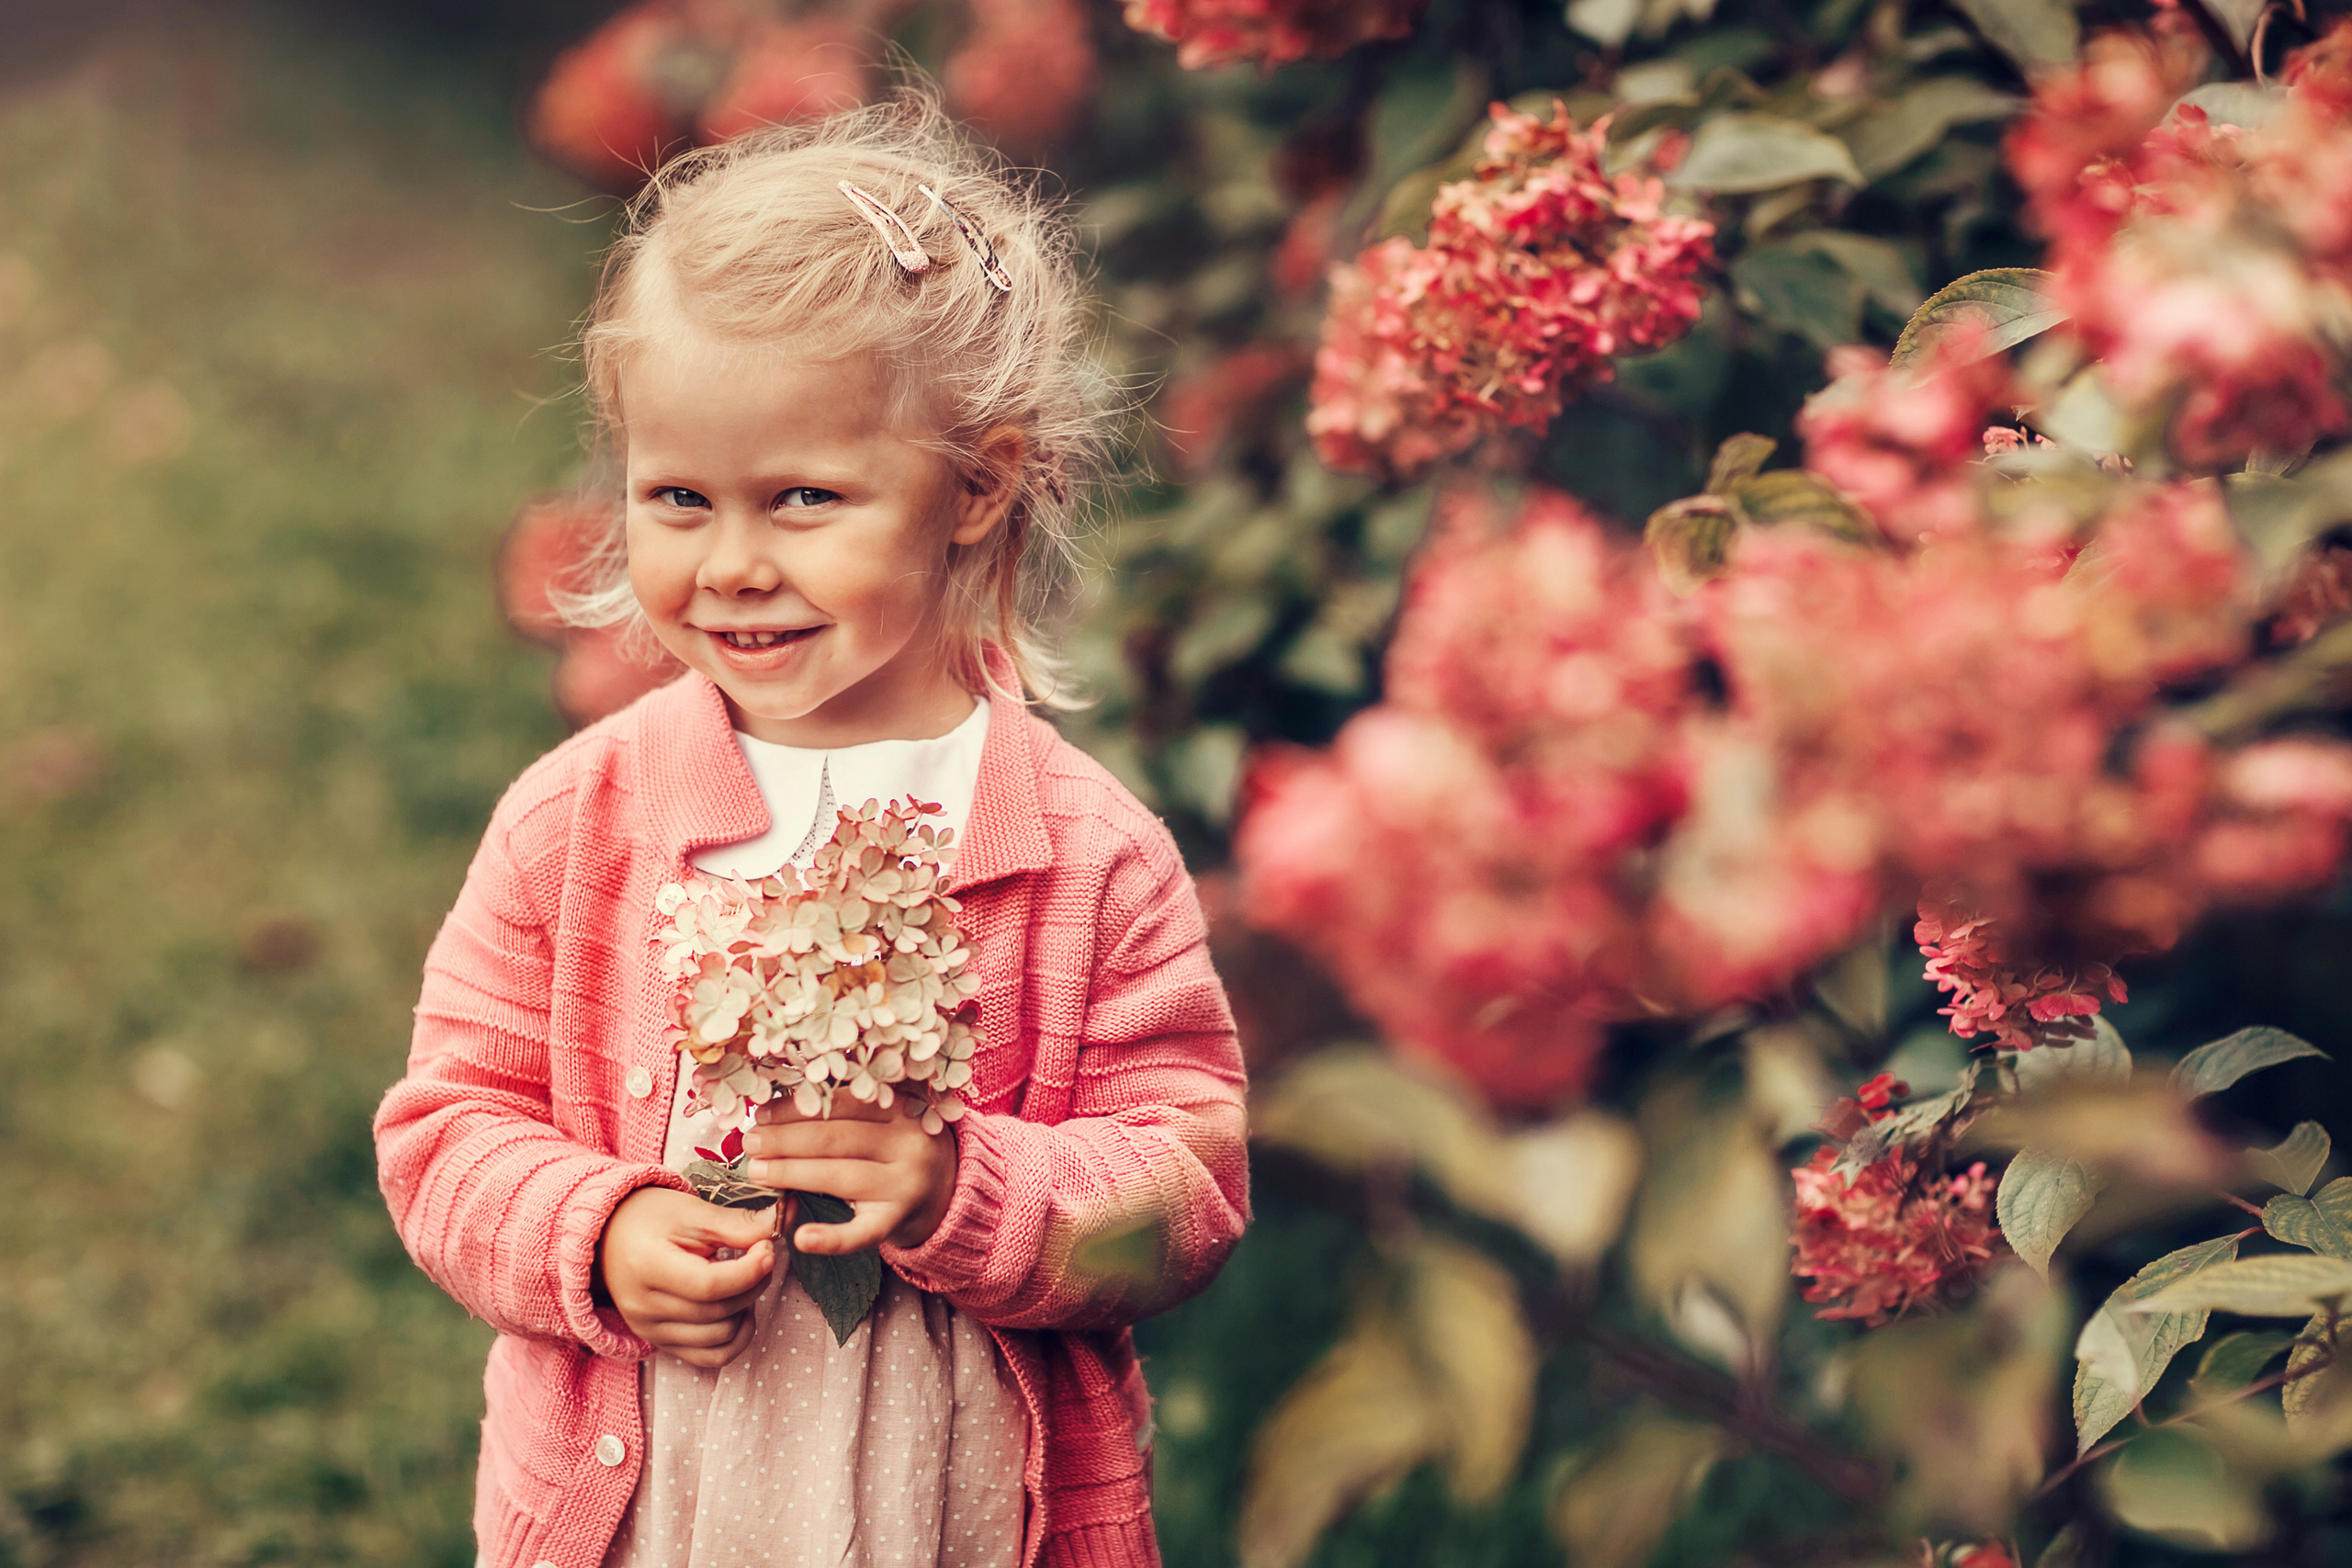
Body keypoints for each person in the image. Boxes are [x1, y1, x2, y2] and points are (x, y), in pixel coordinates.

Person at [373, 95, 1249, 1568]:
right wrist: (594, 1232)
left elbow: (1190, 1180)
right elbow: (446, 1131)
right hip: (667, 1490)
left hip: (950, 1493)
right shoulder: (575, 823)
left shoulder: (1087, 854)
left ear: (976, 488)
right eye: (678, 498)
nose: (731, 564)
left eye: (801, 498)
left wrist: (971, 1190)